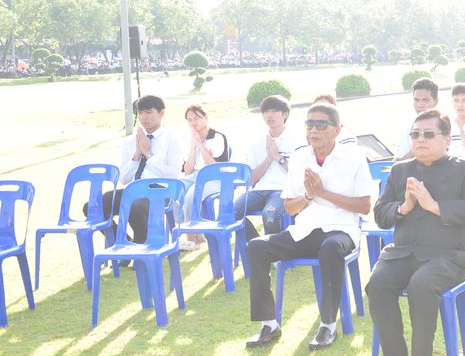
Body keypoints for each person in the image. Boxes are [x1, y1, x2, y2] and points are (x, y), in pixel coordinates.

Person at [367, 110, 465, 356]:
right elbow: (380, 215)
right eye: (415, 134)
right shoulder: (400, 170)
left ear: (447, 139)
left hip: (448, 256)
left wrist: (434, 205)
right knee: (378, 283)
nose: (420, 139)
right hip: (402, 253)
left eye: (428, 134)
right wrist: (404, 207)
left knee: (421, 285)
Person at [245, 103, 373, 351]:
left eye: (321, 125)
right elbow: (290, 208)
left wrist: (323, 192)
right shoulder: (300, 157)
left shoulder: (353, 156)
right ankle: (269, 324)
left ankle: (328, 325)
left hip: (340, 229)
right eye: (309, 124)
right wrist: (309, 196)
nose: (313, 130)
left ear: (337, 129)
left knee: (330, 247)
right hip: (304, 231)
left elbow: (365, 206)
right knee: (257, 246)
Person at [92, 95, 184, 243]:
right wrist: (137, 155)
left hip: (161, 191)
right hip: (134, 190)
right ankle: (124, 243)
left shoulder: (172, 139)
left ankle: (143, 250)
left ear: (161, 113)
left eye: (148, 112)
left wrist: (148, 154)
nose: (143, 117)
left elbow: (172, 176)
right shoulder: (130, 141)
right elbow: (124, 179)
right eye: (140, 113)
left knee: (136, 207)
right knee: (93, 207)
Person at [234, 95, 307, 242]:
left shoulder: (297, 140)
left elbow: (301, 175)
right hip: (259, 190)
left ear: (285, 114)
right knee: (230, 212)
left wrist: (278, 157)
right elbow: (251, 180)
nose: (269, 115)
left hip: (283, 189)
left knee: (270, 216)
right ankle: (257, 246)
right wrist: (268, 158)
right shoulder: (257, 142)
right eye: (266, 112)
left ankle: (272, 252)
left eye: (274, 111)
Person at [180, 105, 230, 251]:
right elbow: (187, 171)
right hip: (194, 175)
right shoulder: (189, 139)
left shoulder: (217, 137)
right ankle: (190, 232)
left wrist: (200, 145)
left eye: (196, 118)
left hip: (215, 177)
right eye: (189, 120)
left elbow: (214, 167)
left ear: (206, 117)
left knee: (191, 196)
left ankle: (191, 236)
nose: (193, 122)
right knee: (175, 191)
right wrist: (193, 146)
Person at [394, 78, 439, 160]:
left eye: (425, 100)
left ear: (436, 102)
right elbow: (398, 160)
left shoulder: (446, 125)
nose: (420, 105)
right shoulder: (407, 127)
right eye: (416, 100)